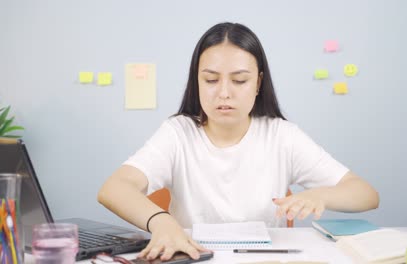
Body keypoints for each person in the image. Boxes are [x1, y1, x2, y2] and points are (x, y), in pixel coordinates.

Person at [97, 22, 379, 261]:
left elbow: (366, 194)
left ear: (257, 83)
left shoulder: (282, 136)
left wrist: (322, 195)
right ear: (196, 81)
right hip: (195, 257)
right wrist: (161, 221)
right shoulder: (178, 133)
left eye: (239, 81)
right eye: (210, 80)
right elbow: (113, 188)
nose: (224, 93)